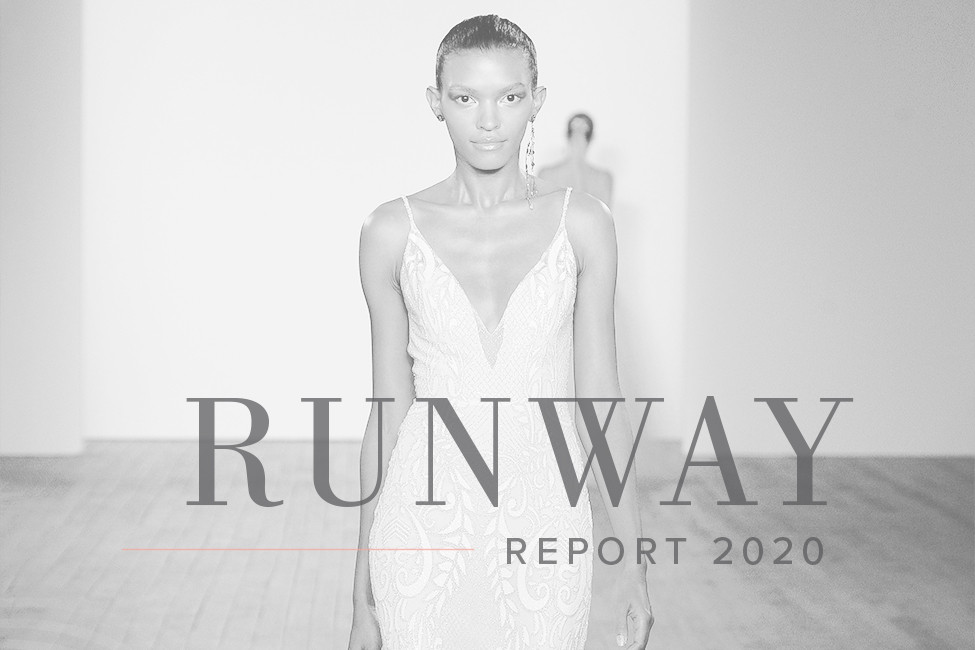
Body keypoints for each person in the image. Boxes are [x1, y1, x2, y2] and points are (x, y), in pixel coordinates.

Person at [349, 14, 652, 650]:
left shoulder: (584, 225)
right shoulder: (390, 232)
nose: (488, 121)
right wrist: (361, 594)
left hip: (546, 526)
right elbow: (387, 411)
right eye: (465, 98)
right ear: (436, 103)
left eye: (509, 97)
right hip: (420, 525)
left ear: (536, 101)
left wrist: (634, 565)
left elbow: (600, 400)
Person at [537, 113, 614, 208]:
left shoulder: (603, 178)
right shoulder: (546, 174)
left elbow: (604, 212)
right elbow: (541, 209)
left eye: (584, 129)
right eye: (575, 128)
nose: (578, 133)